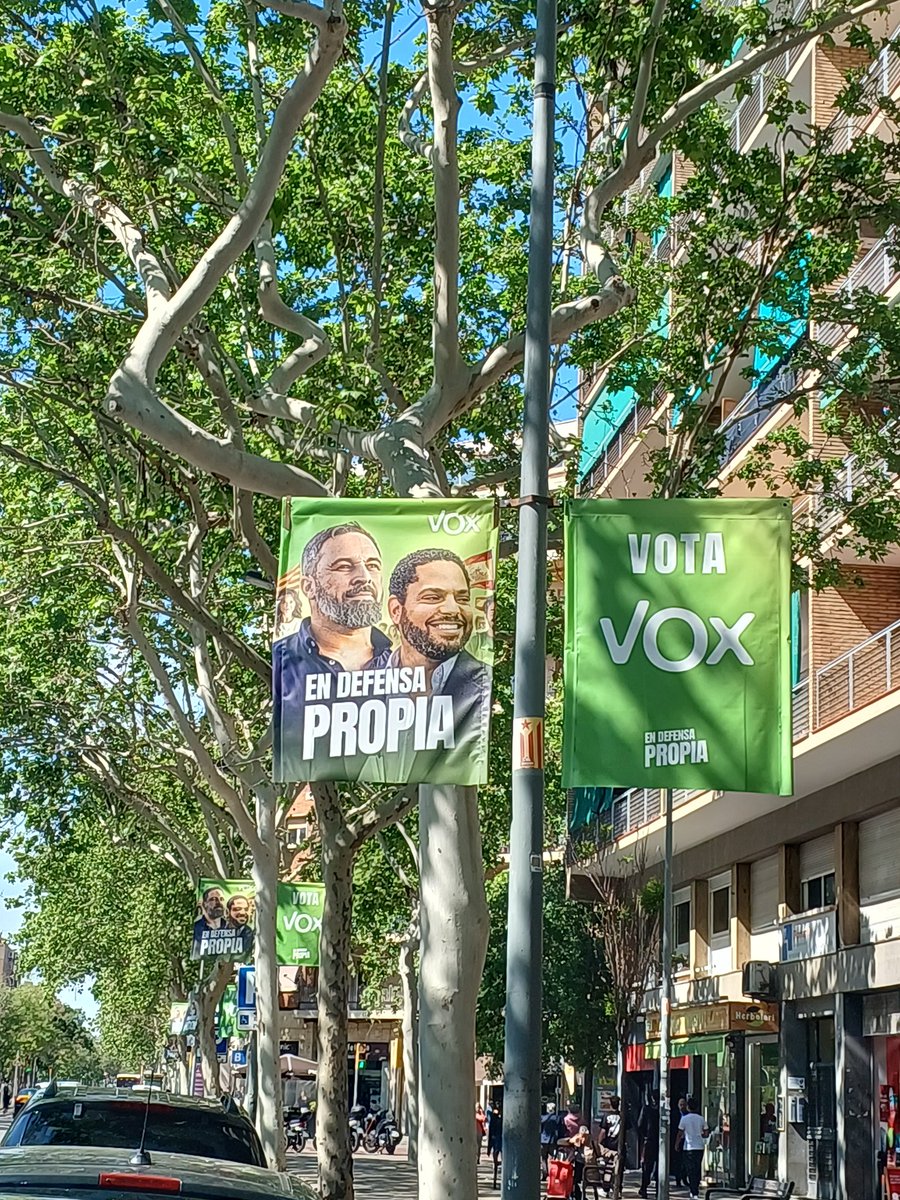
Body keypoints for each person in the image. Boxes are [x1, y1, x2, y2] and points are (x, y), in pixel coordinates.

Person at [356, 548, 492, 783]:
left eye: (462, 598)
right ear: (396, 610)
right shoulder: (353, 685)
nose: (453, 609)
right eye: (433, 597)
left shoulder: (482, 684)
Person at [274, 523, 391, 779]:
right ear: (308, 587)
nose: (364, 577)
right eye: (344, 567)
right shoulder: (281, 660)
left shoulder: (409, 666)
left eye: (372, 565)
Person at [676, 1096, 709, 1200]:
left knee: (690, 1170)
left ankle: (693, 1190)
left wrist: (676, 1144)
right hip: (699, 1147)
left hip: (689, 1147)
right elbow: (706, 1133)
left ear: (688, 1107)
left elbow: (680, 1133)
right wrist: (700, 1135)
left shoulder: (684, 1119)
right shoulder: (701, 1118)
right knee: (697, 1168)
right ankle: (695, 1189)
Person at [191, 886, 226, 958]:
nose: (218, 902)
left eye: (221, 899)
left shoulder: (230, 926)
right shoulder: (198, 926)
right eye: (213, 899)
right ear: (204, 904)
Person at [637, 1092, 660, 1198]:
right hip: (659, 1141)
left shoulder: (647, 1110)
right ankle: (657, 1190)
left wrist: (644, 1136)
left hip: (649, 1140)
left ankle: (644, 1188)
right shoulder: (663, 1110)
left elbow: (640, 1124)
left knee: (647, 1166)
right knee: (658, 1166)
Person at [541, 1102, 564, 1178]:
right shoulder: (557, 1118)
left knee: (543, 1157)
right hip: (553, 1140)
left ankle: (545, 1173)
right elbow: (561, 1130)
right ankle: (551, 1175)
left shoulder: (542, 1118)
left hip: (543, 1140)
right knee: (551, 1157)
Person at [672, 1096, 688, 1187]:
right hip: (678, 1140)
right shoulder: (675, 1115)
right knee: (678, 1161)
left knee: (685, 1161)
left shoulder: (688, 1115)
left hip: (686, 1140)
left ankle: (684, 1178)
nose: (682, 1106)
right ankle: (678, 1180)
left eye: (683, 1105)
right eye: (680, 1105)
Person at [487, 1101, 503, 1187]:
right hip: (499, 1142)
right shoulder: (501, 1119)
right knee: (497, 1163)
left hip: (497, 1142)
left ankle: (495, 1181)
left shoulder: (493, 1119)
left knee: (496, 1164)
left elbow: (490, 1134)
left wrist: (489, 1148)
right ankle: (495, 1181)